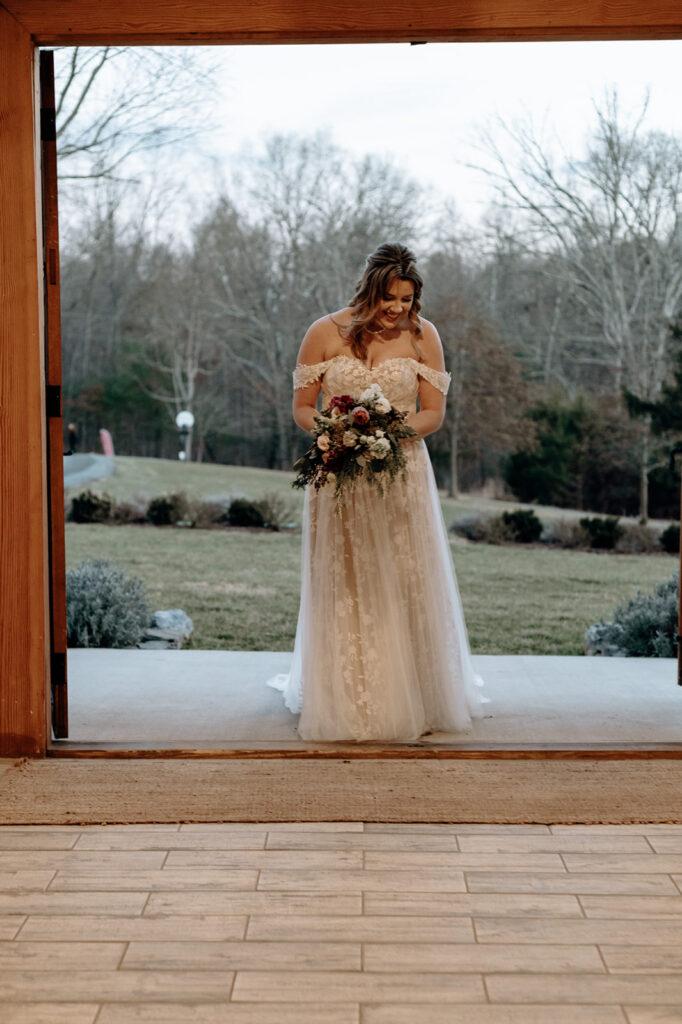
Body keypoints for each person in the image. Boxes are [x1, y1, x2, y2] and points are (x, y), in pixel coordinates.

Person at [267, 242, 488, 742]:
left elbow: (432, 413)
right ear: (369, 289)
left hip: (401, 474)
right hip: (339, 474)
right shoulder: (323, 332)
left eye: (407, 299)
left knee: (405, 575)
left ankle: (415, 694)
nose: (398, 309)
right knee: (345, 582)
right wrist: (336, 431)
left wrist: (388, 435)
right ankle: (346, 694)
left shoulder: (424, 336)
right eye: (390, 298)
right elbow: (303, 407)